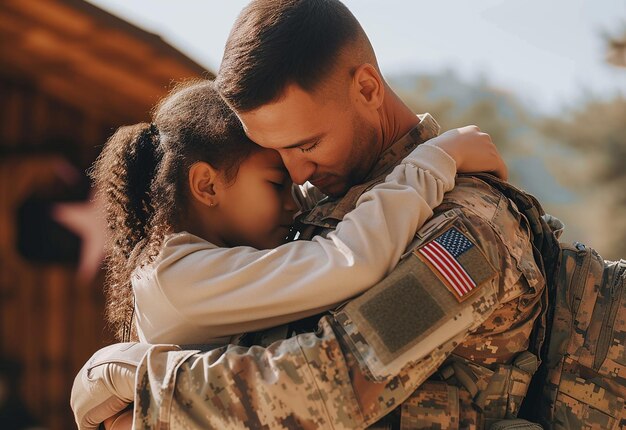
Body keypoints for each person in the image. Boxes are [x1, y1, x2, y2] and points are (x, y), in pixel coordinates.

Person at [71, 1, 626, 429]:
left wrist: (145, 385)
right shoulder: (330, 206)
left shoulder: (464, 231)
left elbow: (336, 383)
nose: (297, 173)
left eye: (308, 143)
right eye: (277, 154)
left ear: (366, 87)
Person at [90, 78, 498, 346]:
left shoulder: (186, 262)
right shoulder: (178, 279)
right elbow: (350, 260)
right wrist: (436, 158)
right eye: (277, 184)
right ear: (207, 185)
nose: (296, 199)